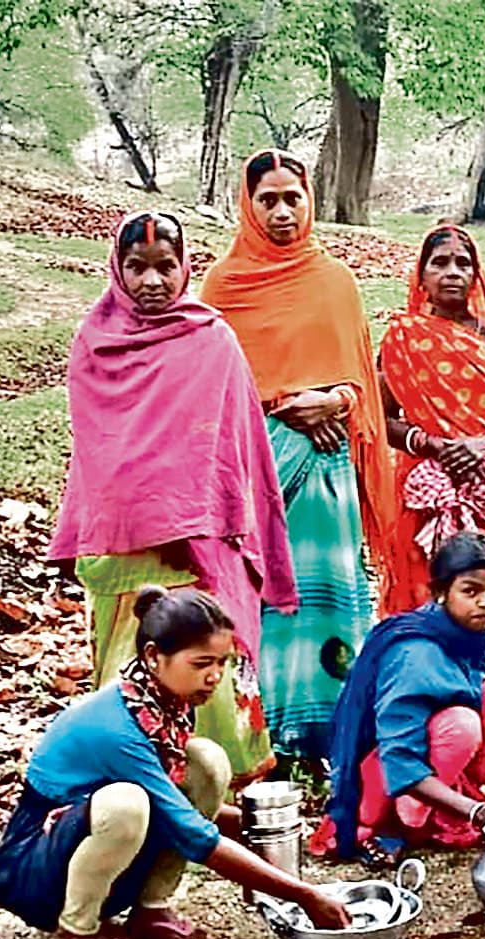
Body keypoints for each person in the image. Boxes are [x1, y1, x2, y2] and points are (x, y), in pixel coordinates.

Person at [0, 588, 351, 939]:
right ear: (155, 657)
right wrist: (303, 895)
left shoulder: (160, 702)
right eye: (202, 663)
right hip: (38, 870)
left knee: (206, 762)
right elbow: (189, 830)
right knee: (127, 804)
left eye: (222, 663)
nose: (214, 676)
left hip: (102, 845)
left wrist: (263, 827)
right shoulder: (118, 728)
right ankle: (75, 930)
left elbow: (175, 800)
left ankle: (150, 910)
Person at [48, 211, 298, 788]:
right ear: (118, 269)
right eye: (136, 267)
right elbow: (97, 448)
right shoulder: (95, 343)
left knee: (208, 664)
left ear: (186, 269)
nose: (152, 281)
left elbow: (235, 446)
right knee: (130, 668)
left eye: (165, 267)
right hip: (124, 542)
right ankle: (136, 786)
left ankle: (216, 797)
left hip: (201, 542)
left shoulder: (212, 340)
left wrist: (195, 509)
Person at [200, 149, 404, 760]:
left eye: (294, 197)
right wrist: (288, 401)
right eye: (269, 199)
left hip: (328, 469)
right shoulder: (223, 286)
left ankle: (337, 730)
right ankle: (265, 736)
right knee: (263, 599)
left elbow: (359, 379)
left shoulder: (333, 282)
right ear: (248, 203)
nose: (284, 211)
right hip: (257, 472)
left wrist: (336, 399)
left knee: (330, 595)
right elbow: (211, 387)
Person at [311, 533, 485, 866]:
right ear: (442, 593)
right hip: (383, 778)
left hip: (440, 759)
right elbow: (399, 758)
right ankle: (398, 826)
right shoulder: (414, 655)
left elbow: (475, 719)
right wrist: (479, 812)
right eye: (471, 591)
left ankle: (453, 799)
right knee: (461, 723)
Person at [376, 223, 485, 632]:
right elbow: (380, 419)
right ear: (422, 276)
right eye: (440, 263)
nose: (452, 272)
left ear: (476, 274)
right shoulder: (403, 339)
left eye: (463, 264)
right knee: (424, 590)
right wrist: (431, 444)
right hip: (425, 491)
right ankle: (425, 684)